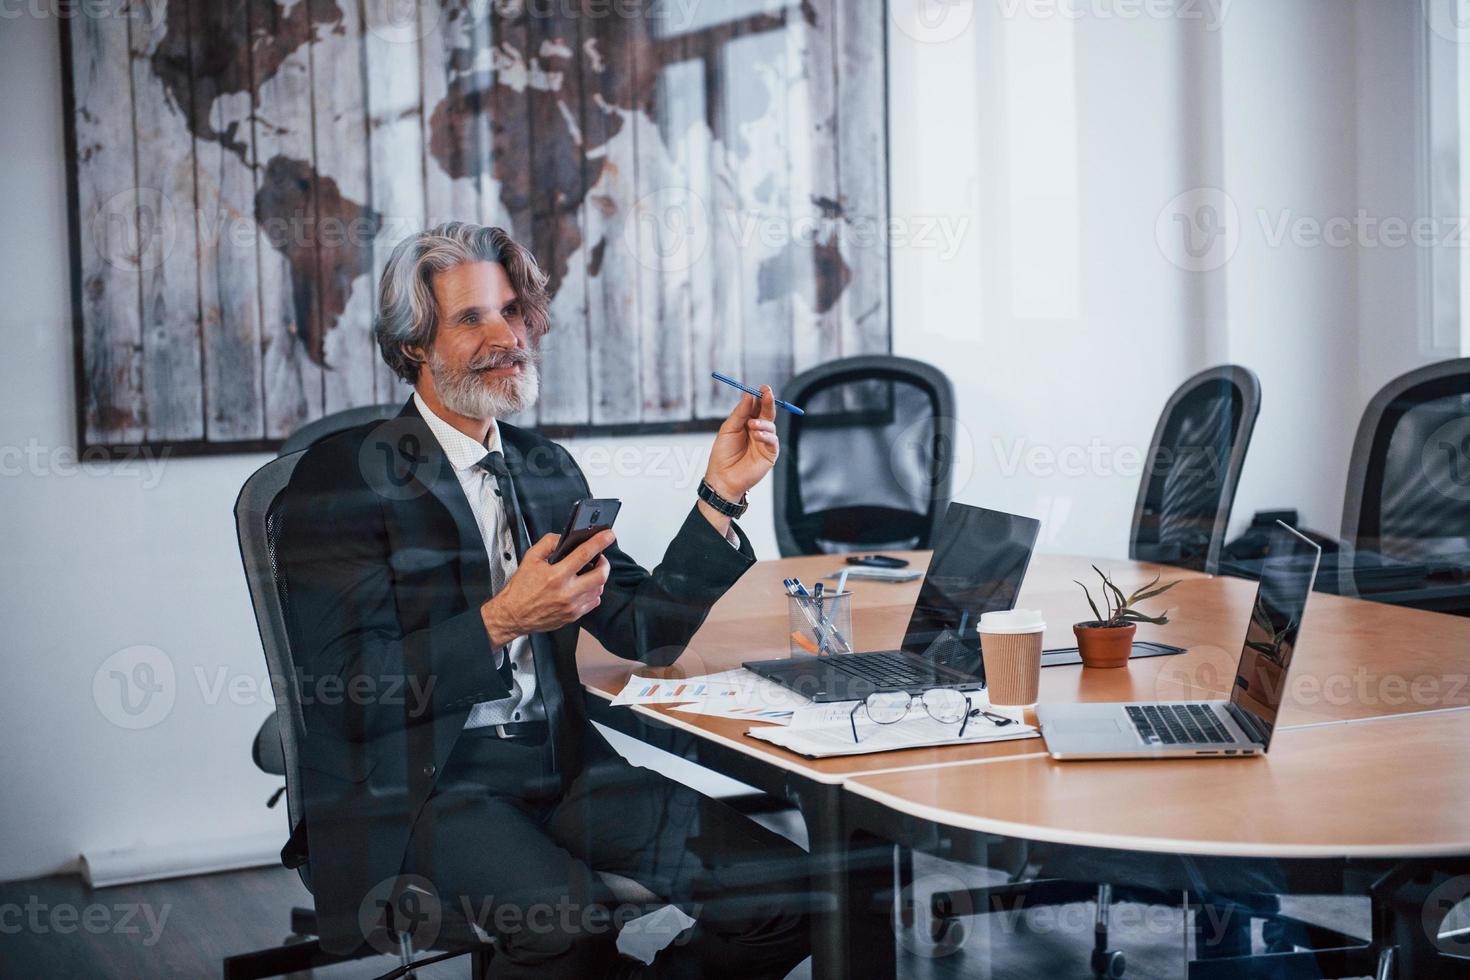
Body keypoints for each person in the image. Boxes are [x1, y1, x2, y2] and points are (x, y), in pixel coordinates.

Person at [274, 222, 809, 978]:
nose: (509, 336)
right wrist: (503, 621)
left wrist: (719, 496)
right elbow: (347, 694)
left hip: (565, 767)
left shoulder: (546, 467)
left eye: (514, 312)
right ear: (414, 346)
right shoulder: (344, 478)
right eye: (472, 319)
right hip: (430, 786)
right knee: (570, 926)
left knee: (791, 891)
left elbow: (645, 630)